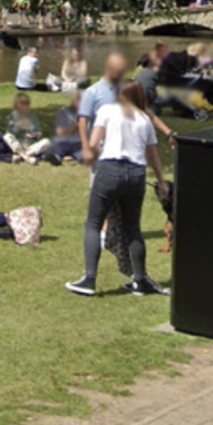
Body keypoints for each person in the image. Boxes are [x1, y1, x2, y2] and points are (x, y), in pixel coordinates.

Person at [67, 81, 167, 297]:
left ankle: (89, 279)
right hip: (137, 174)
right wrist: (161, 181)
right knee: (133, 228)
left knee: (93, 223)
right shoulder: (145, 120)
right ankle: (139, 280)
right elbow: (153, 155)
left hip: (110, 169)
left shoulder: (106, 111)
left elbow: (93, 144)